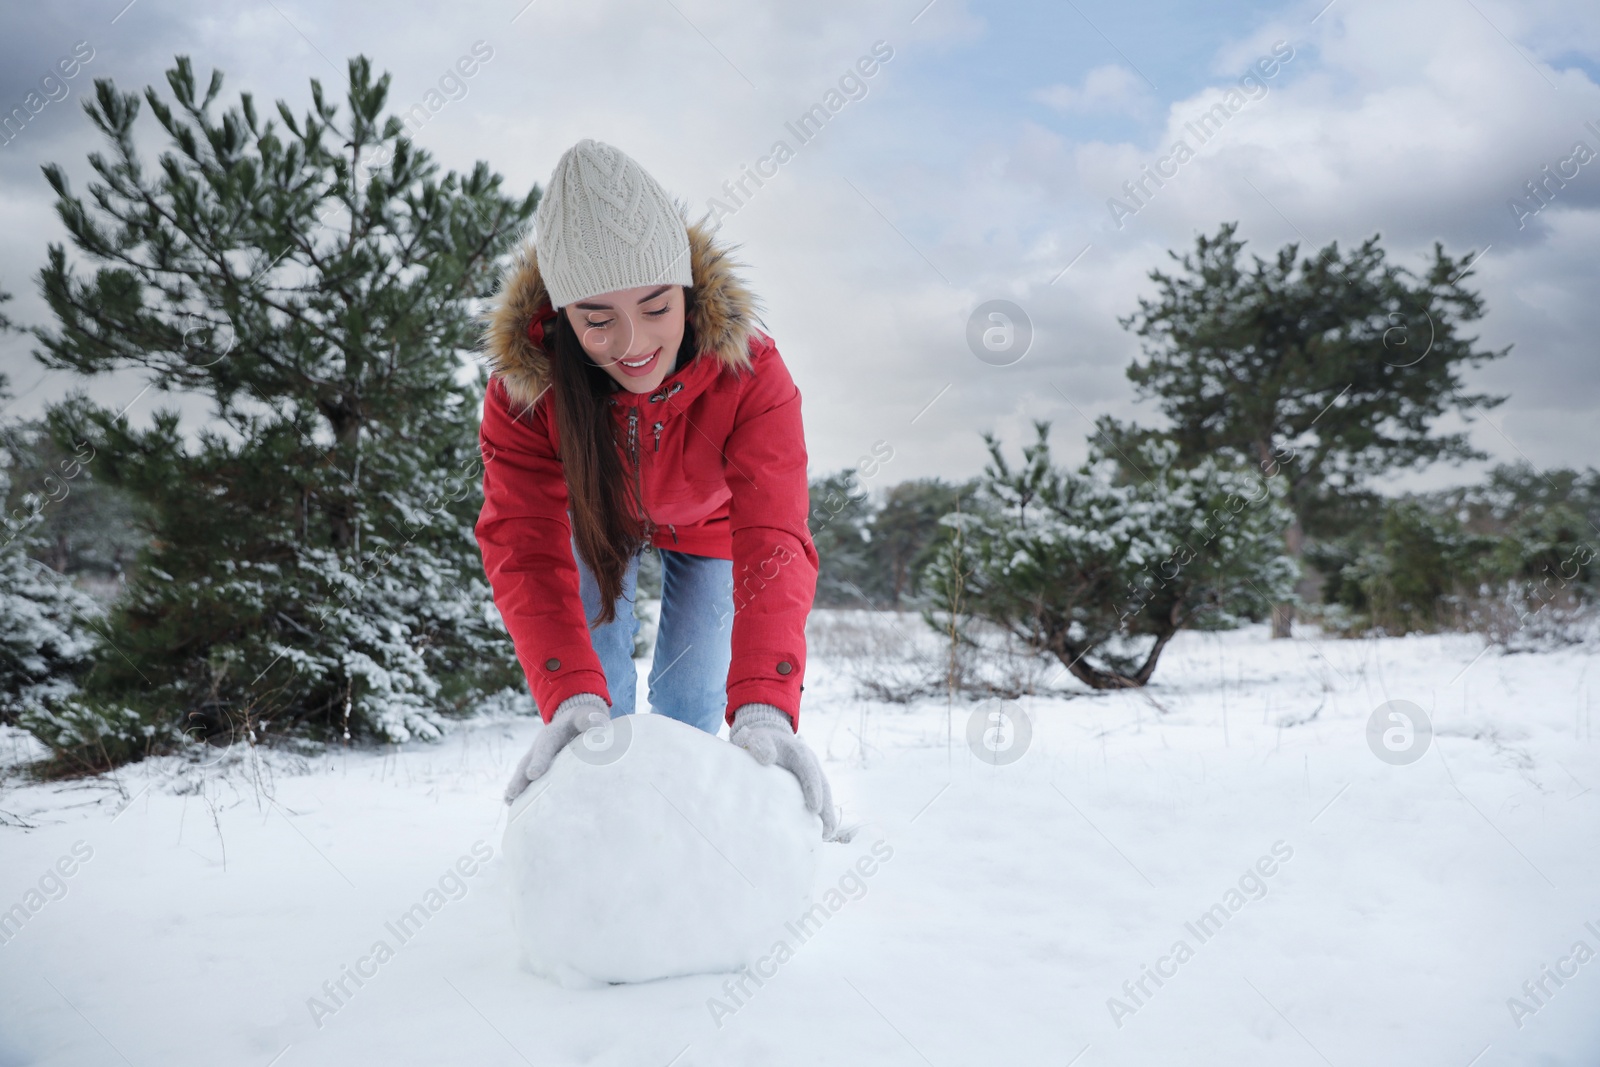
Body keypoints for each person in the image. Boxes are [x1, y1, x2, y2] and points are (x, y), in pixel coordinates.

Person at [476, 139, 841, 840]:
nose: (633, 342)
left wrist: (766, 702)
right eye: (596, 318)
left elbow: (775, 535)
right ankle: (605, 840)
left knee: (688, 702)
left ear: (687, 291)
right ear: (561, 317)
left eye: (653, 305)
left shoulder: (752, 372)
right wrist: (567, 691)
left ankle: (686, 837)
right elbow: (521, 538)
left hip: (712, 531)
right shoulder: (528, 391)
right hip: (598, 527)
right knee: (597, 716)